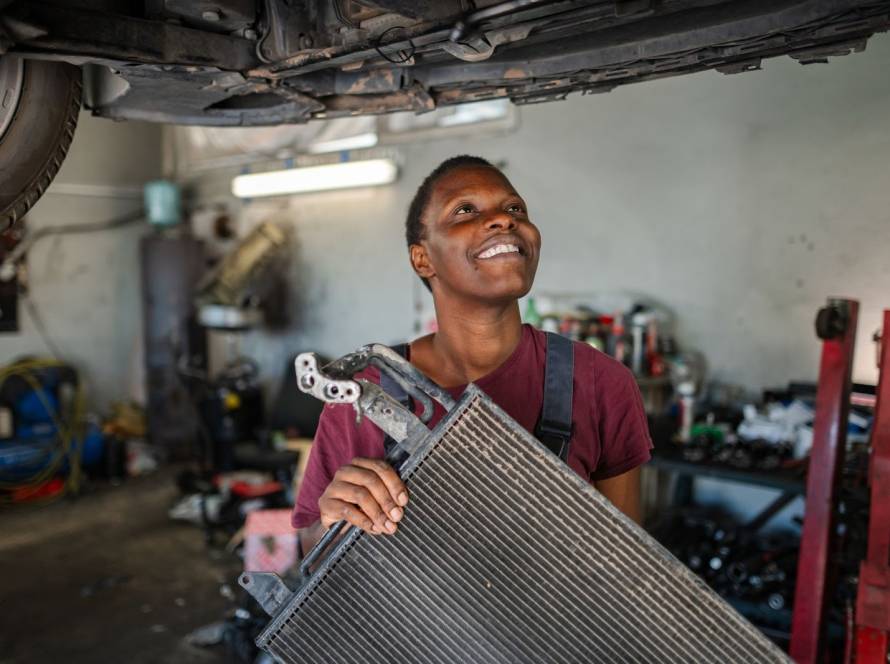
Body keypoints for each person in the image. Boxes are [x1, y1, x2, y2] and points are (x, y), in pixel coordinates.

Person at [292, 155, 652, 555]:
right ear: (422, 259)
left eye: (515, 208)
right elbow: (311, 554)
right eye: (465, 210)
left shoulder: (601, 382)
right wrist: (334, 521)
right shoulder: (363, 394)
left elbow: (629, 561)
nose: (504, 220)